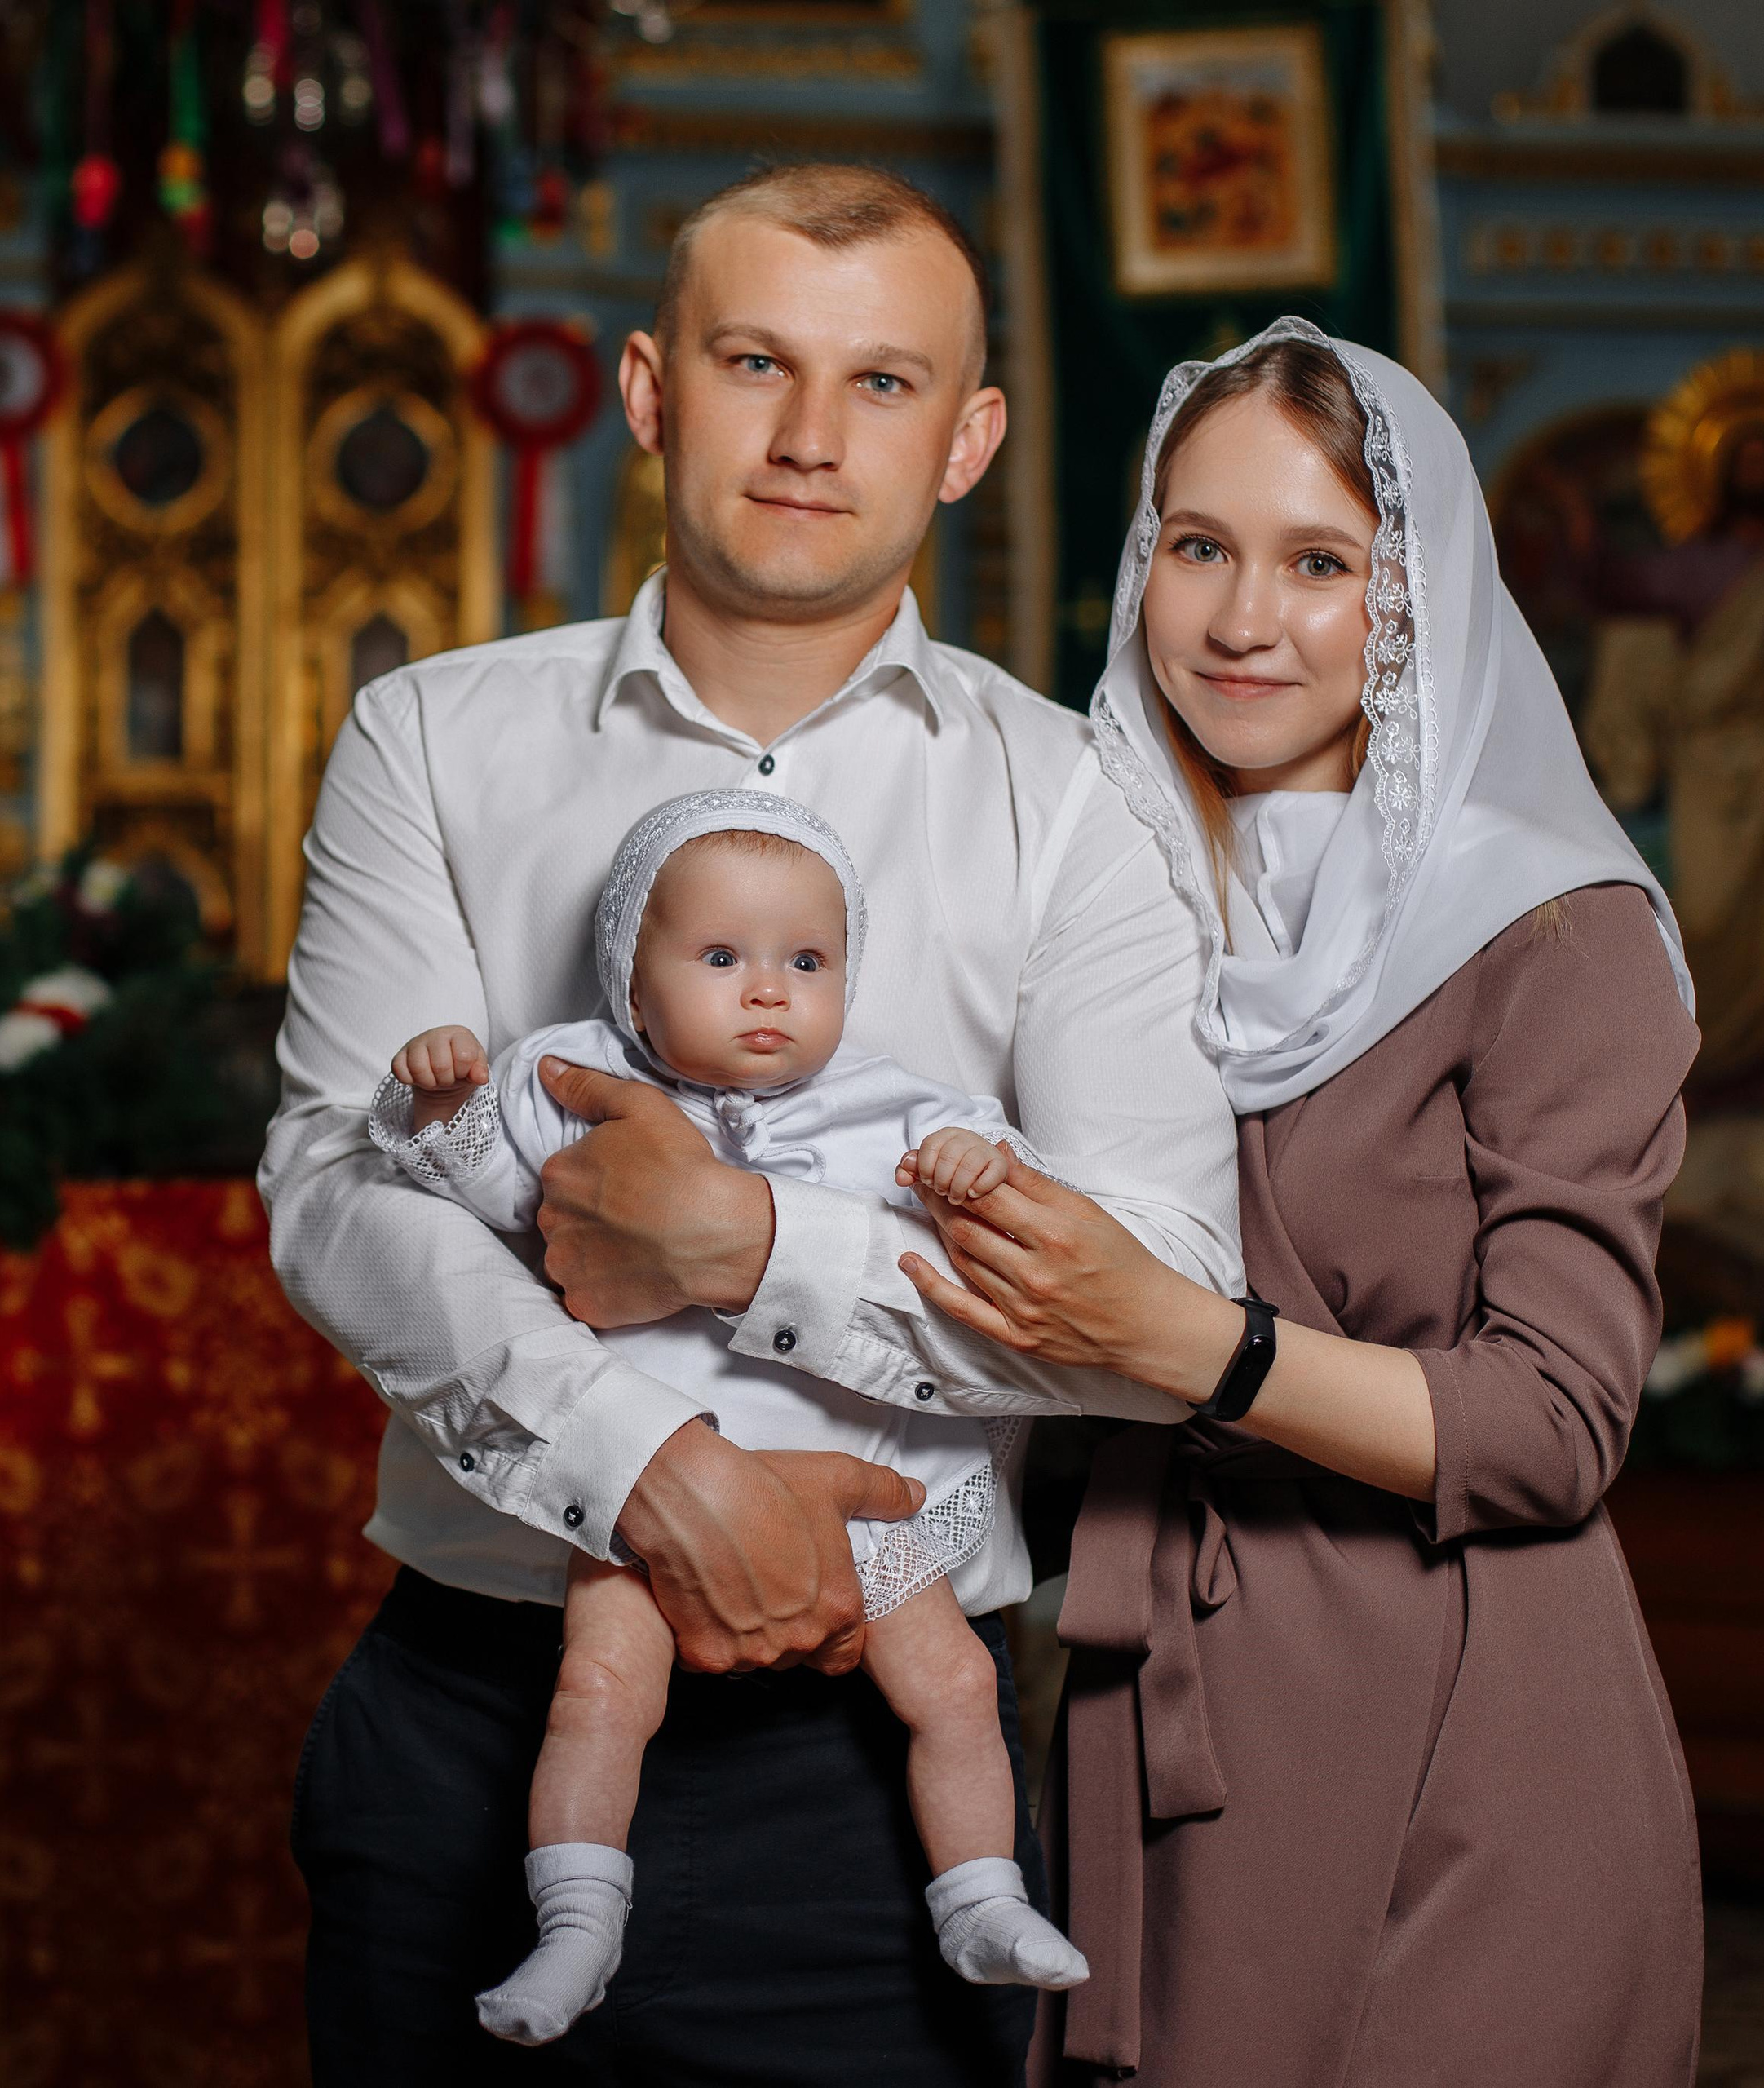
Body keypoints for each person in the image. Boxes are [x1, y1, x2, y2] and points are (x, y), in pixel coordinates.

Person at [260, 161, 1241, 2086]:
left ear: (966, 440)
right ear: (648, 392)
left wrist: (752, 1247)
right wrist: (649, 1467)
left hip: (887, 1783)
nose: (808, 436)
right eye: (751, 362)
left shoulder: (1080, 800)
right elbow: (340, 1192)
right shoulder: (430, 738)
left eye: (880, 382)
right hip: (476, 1712)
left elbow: (1162, 1291)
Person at [877, 319, 1703, 2084]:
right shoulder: (1097, 890)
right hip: (1154, 1689)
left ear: (1416, 598)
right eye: (1199, 546)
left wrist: (1192, 1343)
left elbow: (1556, 1422)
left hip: (1462, 1711)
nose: (1243, 618)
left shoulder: (1555, 930)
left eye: (1320, 562)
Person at [377, 790, 1090, 2046]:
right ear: (631, 979)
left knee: (956, 1682)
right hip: (651, 1498)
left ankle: (982, 1896)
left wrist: (978, 1173)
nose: (769, 990)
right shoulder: (570, 1078)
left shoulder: (894, 1108)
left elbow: (1019, 1215)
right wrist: (444, 1111)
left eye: (807, 962)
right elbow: (483, 1194)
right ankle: (576, 1922)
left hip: (865, 1500)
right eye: (721, 958)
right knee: (600, 1691)